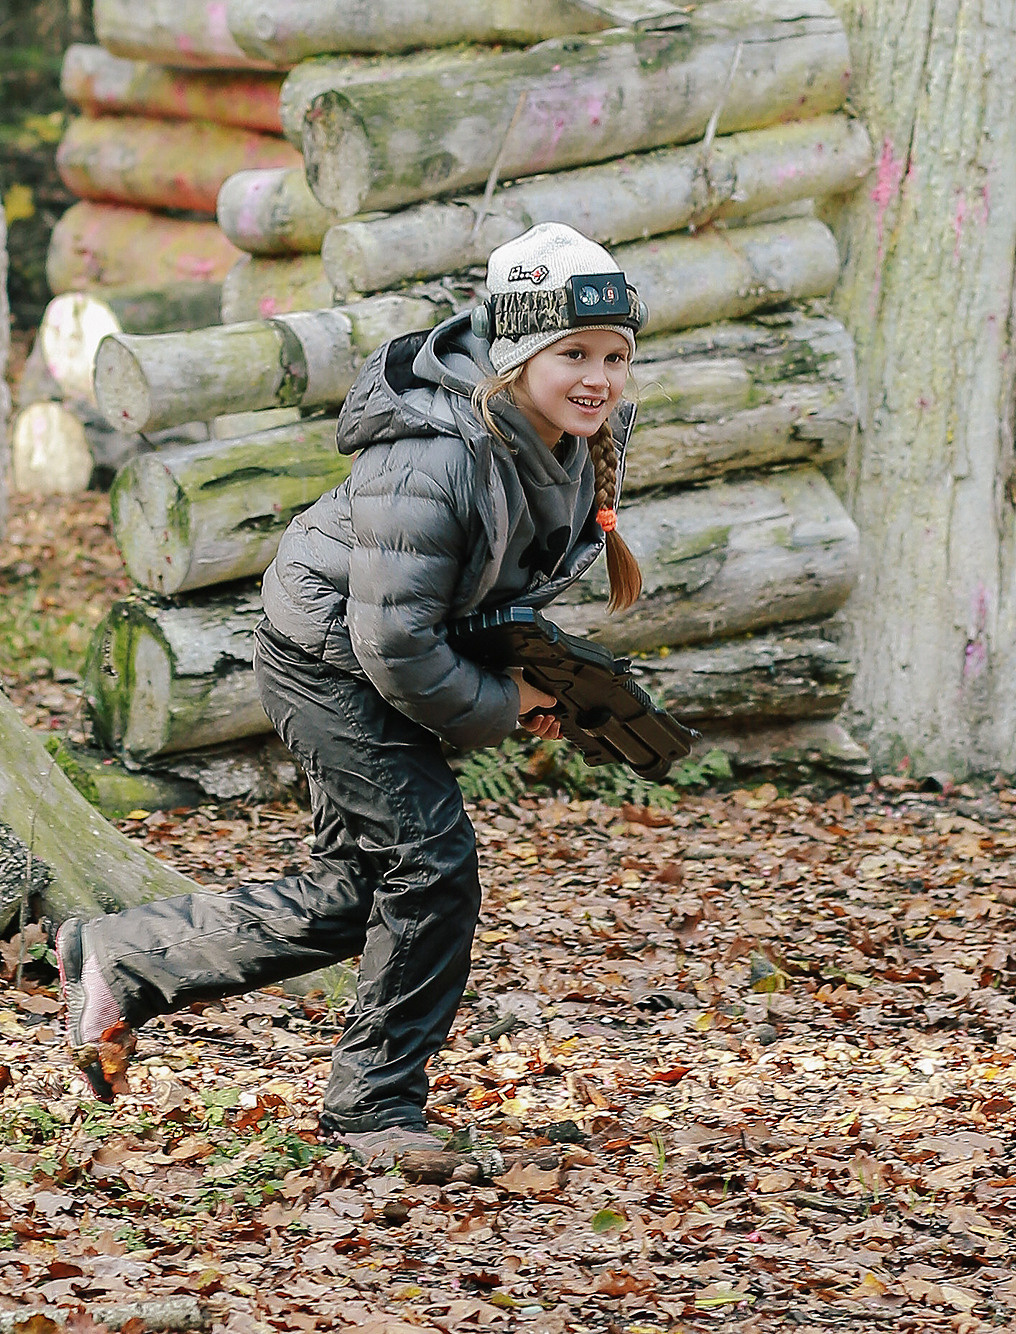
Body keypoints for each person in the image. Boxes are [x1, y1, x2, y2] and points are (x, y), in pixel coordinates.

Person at [54, 223, 647, 1161]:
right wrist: (505, 704)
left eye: (614, 355)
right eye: (573, 352)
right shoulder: (436, 455)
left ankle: (123, 960)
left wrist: (543, 678)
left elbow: (476, 594)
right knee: (432, 868)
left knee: (358, 886)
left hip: (378, 654)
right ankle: (373, 1109)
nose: (598, 377)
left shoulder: (570, 441)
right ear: (516, 351)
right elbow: (393, 640)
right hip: (330, 660)